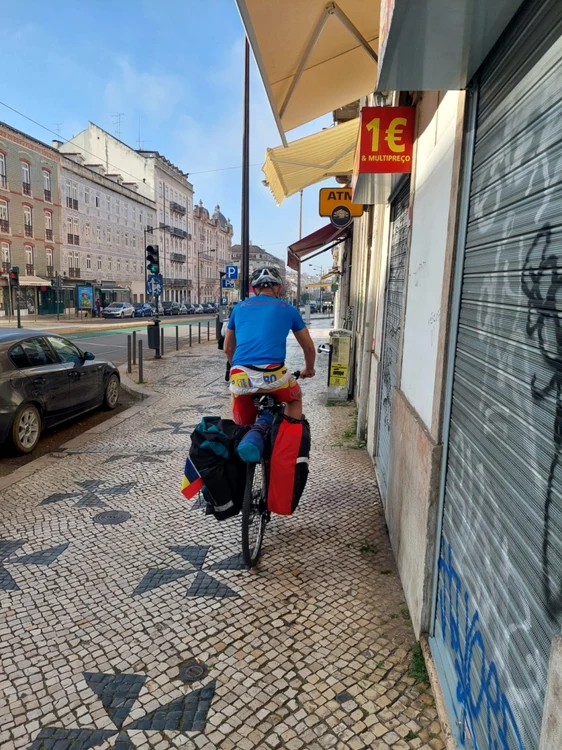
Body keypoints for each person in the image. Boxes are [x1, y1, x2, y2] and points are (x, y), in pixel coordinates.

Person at [224, 267, 316, 425]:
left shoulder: (238, 308)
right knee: (295, 398)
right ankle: (288, 442)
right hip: (275, 375)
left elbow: (228, 348)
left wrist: (243, 369)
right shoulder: (289, 309)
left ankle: (244, 437)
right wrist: (308, 369)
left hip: (241, 374)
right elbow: (308, 348)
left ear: (254, 289)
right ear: (278, 288)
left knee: (242, 422)